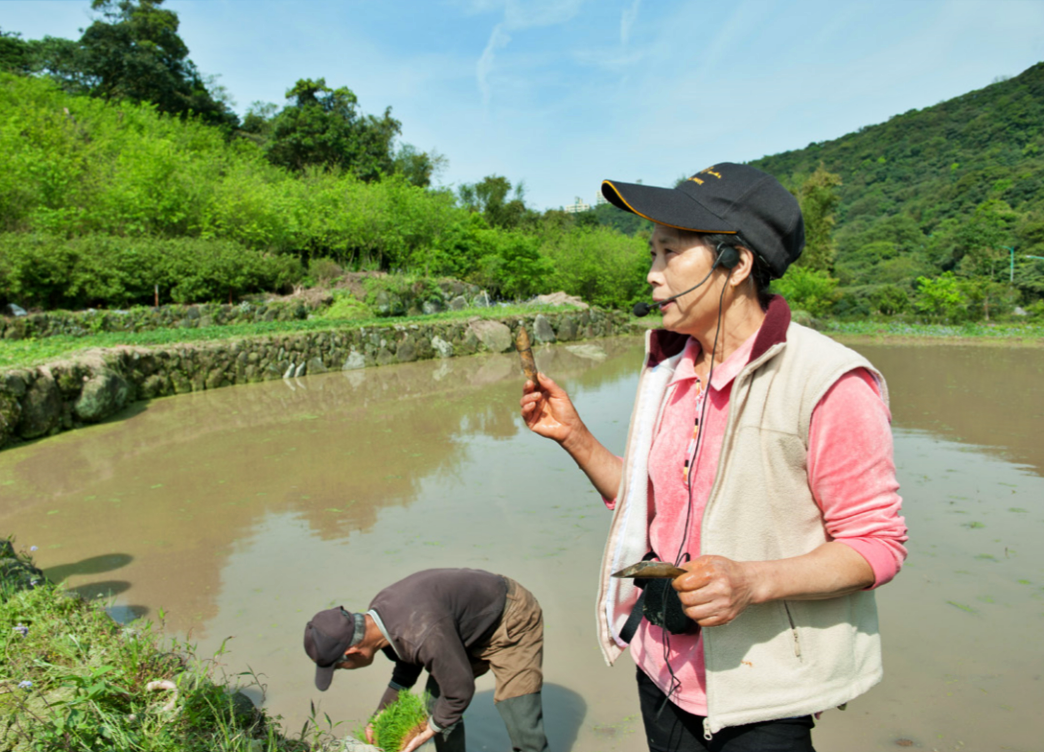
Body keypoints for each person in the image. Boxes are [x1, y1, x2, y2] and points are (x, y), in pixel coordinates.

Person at [520, 163, 907, 751]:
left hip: (759, 691)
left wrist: (751, 582)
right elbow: (647, 507)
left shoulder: (827, 380)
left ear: (738, 263)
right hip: (658, 666)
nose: (652, 275)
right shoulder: (669, 371)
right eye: (652, 253)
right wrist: (574, 435)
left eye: (670, 253)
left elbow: (876, 544)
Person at [303, 568, 549, 752]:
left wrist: (427, 731)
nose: (344, 669)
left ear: (355, 652)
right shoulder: (380, 620)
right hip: (458, 629)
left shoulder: (421, 632)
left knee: (520, 717)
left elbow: (460, 691)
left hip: (509, 618)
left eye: (340, 666)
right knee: (436, 703)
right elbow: (407, 664)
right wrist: (380, 713)